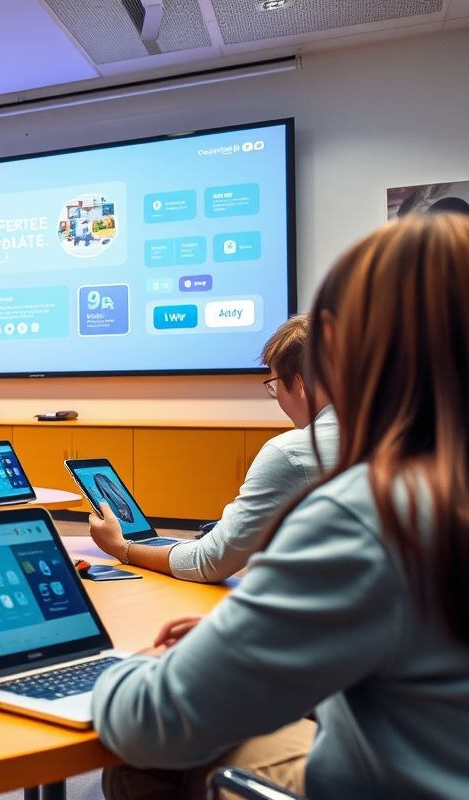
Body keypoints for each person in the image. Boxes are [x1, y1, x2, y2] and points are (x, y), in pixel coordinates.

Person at [92, 213, 469, 799]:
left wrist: (122, 667)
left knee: (147, 761)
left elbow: (152, 723)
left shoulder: (369, 509)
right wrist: (257, 639)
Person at [88, 315, 338, 582]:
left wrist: (121, 547)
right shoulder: (384, 437)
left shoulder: (292, 452)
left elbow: (208, 562)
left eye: (274, 385)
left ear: (298, 383)